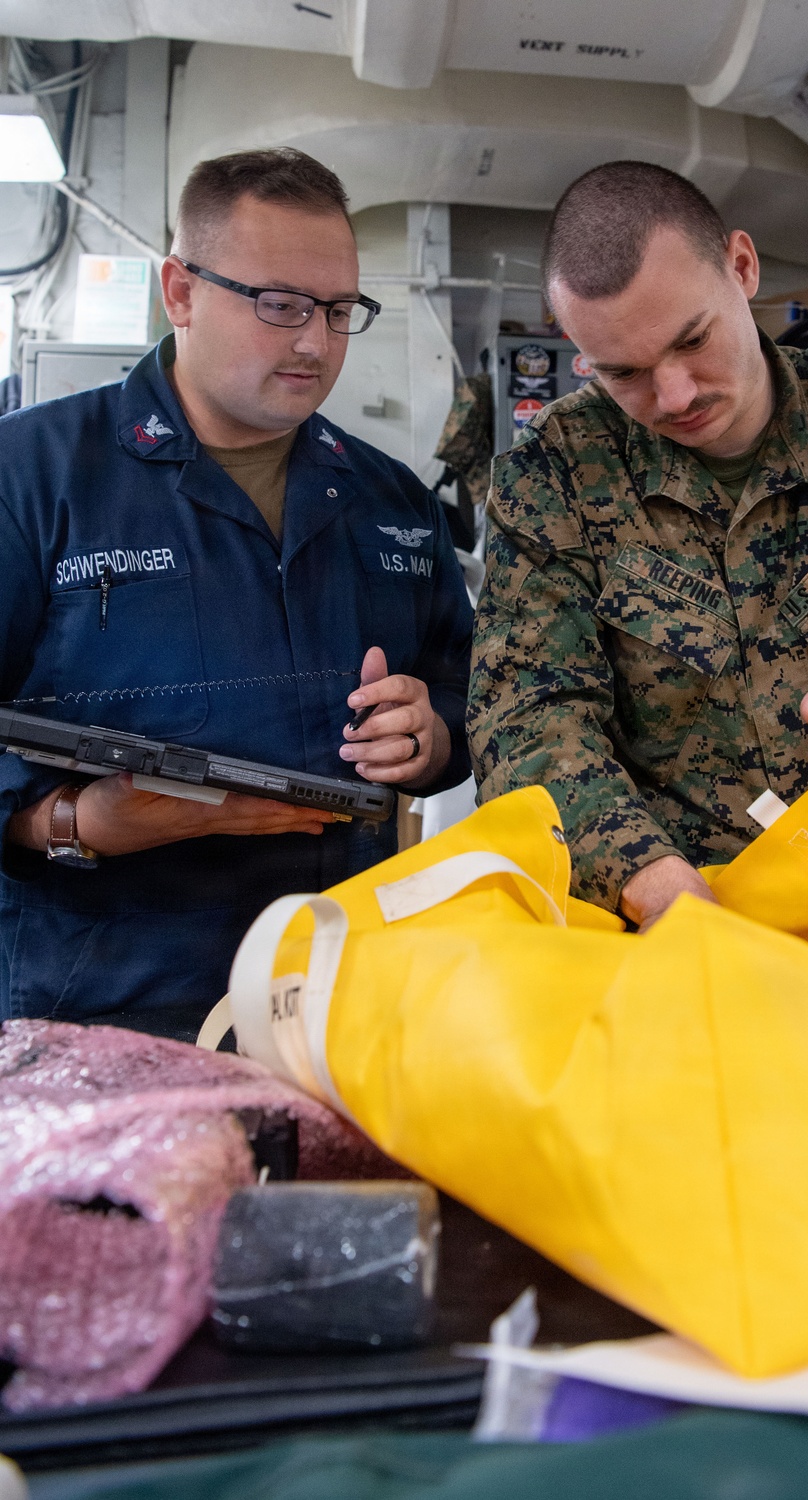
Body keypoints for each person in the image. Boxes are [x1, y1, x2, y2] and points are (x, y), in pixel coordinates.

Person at [0, 148, 472, 1040]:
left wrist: (433, 732)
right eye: (282, 304)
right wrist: (73, 821)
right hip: (98, 1004)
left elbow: (467, 684)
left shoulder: (392, 501)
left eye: (339, 311)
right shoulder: (32, 479)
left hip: (333, 990)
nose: (315, 342)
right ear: (180, 293)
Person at [468, 160, 808, 931]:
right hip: (672, 911)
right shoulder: (553, 476)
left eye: (693, 340)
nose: (675, 395)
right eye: (626, 373)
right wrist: (659, 889)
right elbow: (527, 716)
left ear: (742, 267)